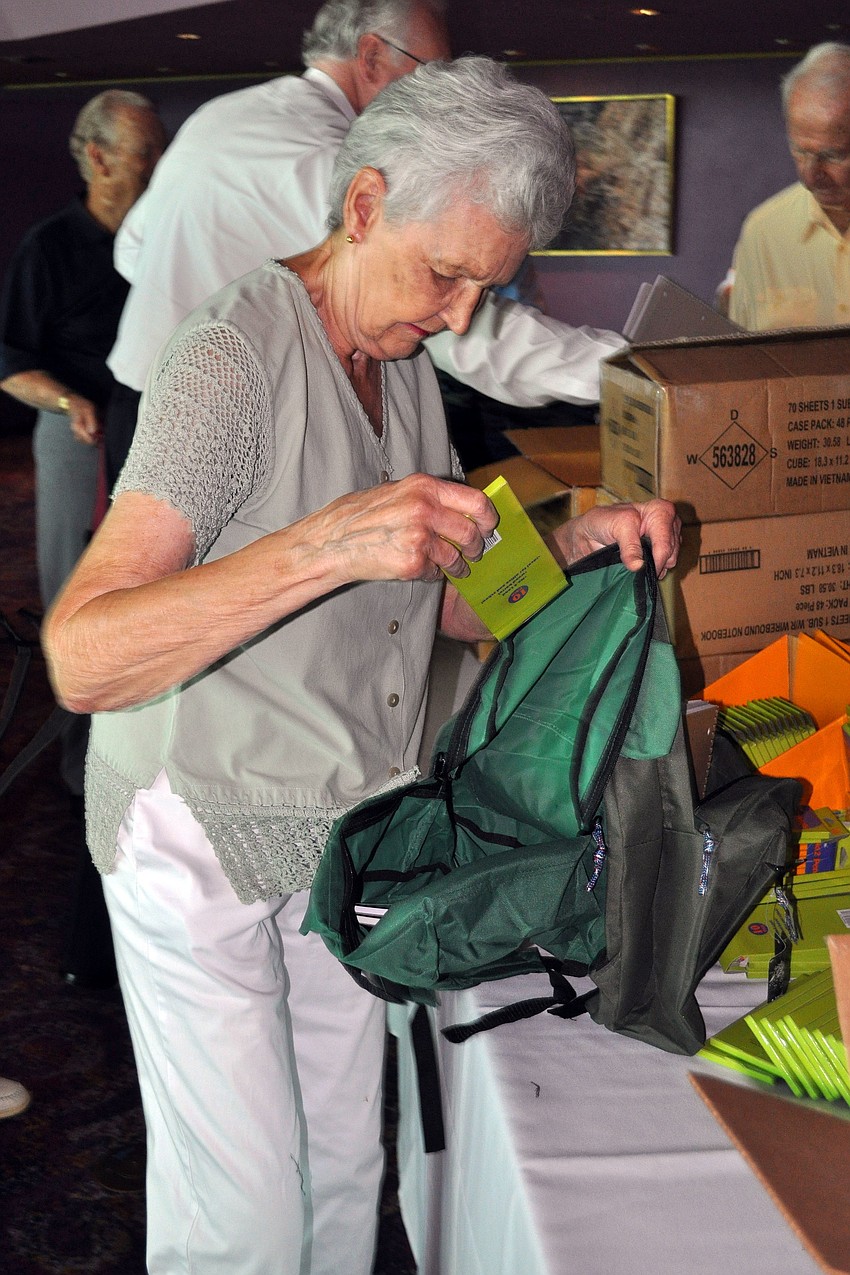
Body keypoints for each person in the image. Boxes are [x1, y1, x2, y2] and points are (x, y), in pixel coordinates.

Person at [44, 58, 680, 1275]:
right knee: (244, 1220)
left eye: (480, 289)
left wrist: (564, 549)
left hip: (343, 820)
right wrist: (326, 543)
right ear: (364, 203)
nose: (454, 314)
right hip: (204, 828)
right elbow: (83, 655)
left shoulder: (398, 364)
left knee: (344, 1175)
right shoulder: (231, 356)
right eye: (445, 274)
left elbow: (434, 606)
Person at [103, 0, 624, 484]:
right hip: (211, 419)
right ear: (372, 55)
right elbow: (473, 343)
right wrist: (630, 369)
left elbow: (130, 250)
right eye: (434, 70)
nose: (443, 93)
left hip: (135, 393)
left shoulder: (221, 115)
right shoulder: (333, 162)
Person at [0, 89, 166, 988]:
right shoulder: (50, 247)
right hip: (72, 426)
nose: (152, 171)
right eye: (142, 156)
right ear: (97, 159)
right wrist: (68, 401)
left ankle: (135, 738)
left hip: (147, 419)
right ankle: (78, 763)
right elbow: (8, 356)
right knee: (78, 592)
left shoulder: (157, 239)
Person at [729, 42, 850, 330]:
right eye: (800, 151)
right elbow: (743, 360)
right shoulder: (763, 231)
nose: (810, 176)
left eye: (832, 155)